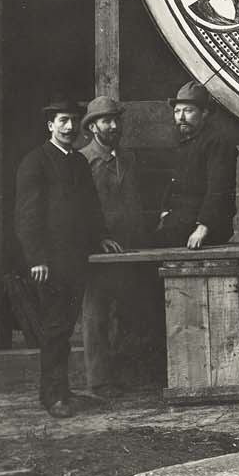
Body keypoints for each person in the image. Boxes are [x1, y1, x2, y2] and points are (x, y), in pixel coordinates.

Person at [13, 100, 121, 417]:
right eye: (63, 121)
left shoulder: (76, 162)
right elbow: (26, 216)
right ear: (50, 125)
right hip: (49, 264)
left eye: (74, 121)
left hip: (76, 261)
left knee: (64, 329)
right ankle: (52, 397)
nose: (70, 127)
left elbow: (91, 207)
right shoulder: (35, 162)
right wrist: (36, 258)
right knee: (54, 330)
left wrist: (101, 235)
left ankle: (63, 391)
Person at [80, 95, 162, 395]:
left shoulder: (129, 159)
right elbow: (79, 209)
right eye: (105, 121)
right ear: (92, 127)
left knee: (130, 310)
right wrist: (97, 238)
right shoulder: (83, 161)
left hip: (131, 246)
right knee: (97, 313)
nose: (113, 126)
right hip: (99, 249)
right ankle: (99, 380)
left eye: (116, 120)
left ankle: (127, 374)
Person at [157, 81, 238, 248]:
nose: (181, 117)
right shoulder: (185, 143)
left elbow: (219, 188)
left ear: (204, 113)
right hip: (179, 224)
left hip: (202, 230)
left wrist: (203, 227)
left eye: (188, 111)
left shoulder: (217, 143)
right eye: (177, 111)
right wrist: (165, 211)